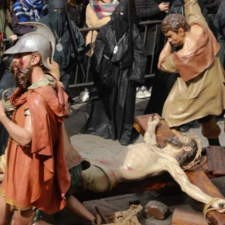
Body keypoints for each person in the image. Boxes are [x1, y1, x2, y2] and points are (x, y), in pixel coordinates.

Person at [0, 22, 71, 224]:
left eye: (19, 56)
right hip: (20, 161)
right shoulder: (44, 87)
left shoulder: (37, 98)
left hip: (26, 165)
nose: (14, 62)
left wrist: (3, 118)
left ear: (36, 58)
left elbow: (27, 138)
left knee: (21, 215)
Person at [158, 0, 225, 146]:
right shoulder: (200, 27)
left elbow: (161, 63)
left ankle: (181, 152)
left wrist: (167, 45)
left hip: (194, 92)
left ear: (181, 31)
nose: (170, 39)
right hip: (214, 87)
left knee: (170, 119)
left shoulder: (181, 57)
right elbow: (191, 4)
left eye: (170, 36)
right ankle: (215, 147)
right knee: (206, 116)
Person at [81, 0, 147, 146]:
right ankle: (105, 127)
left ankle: (123, 132)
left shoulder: (133, 31)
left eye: (122, 14)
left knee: (124, 102)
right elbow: (98, 49)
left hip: (125, 72)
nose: (119, 16)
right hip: (108, 70)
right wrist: (98, 70)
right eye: (117, 13)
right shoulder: (106, 29)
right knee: (106, 100)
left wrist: (136, 76)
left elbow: (139, 54)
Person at [40, 0, 84, 98]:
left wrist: (74, 56)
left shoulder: (69, 24)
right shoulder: (43, 25)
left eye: (61, 10)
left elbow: (79, 42)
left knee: (63, 97)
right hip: (48, 70)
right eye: (55, 9)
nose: (59, 12)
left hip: (66, 68)